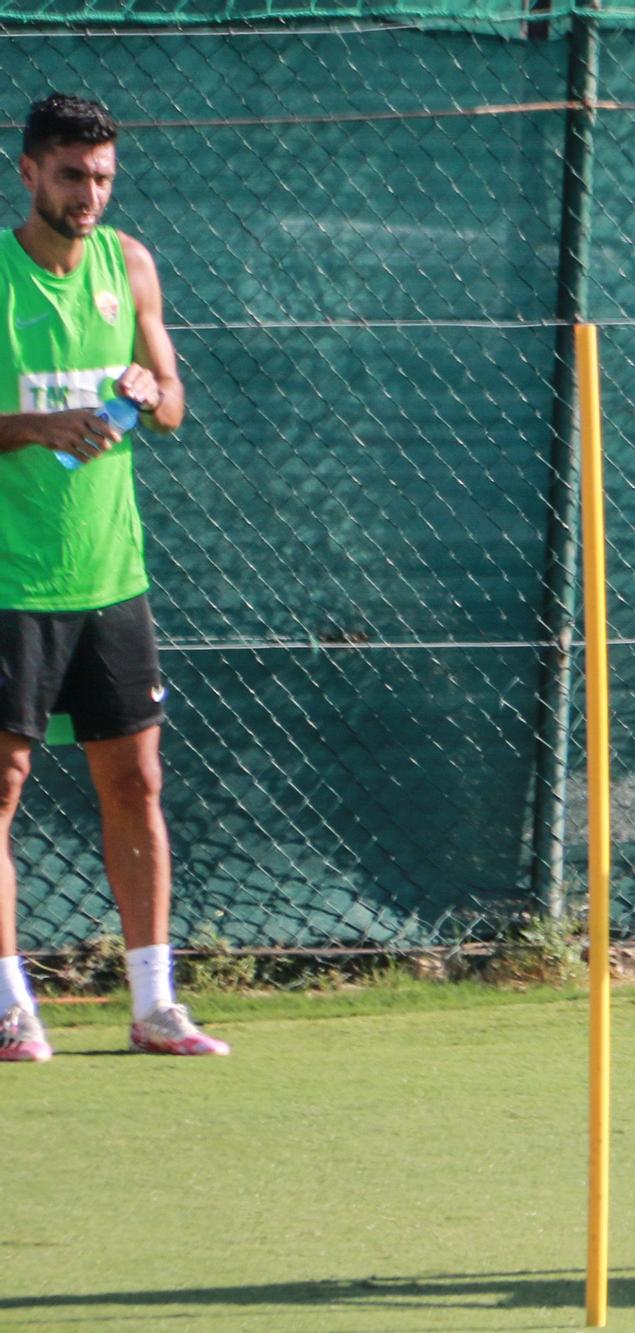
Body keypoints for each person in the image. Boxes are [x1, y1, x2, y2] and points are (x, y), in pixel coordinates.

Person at [0, 93, 227, 1061]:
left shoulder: (127, 264)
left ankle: (153, 1004)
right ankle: (11, 1008)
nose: (87, 194)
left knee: (136, 780)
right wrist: (33, 428)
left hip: (110, 575)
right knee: (3, 786)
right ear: (27, 174)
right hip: (12, 583)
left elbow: (172, 404)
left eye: (101, 177)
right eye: (69, 175)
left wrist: (145, 389)